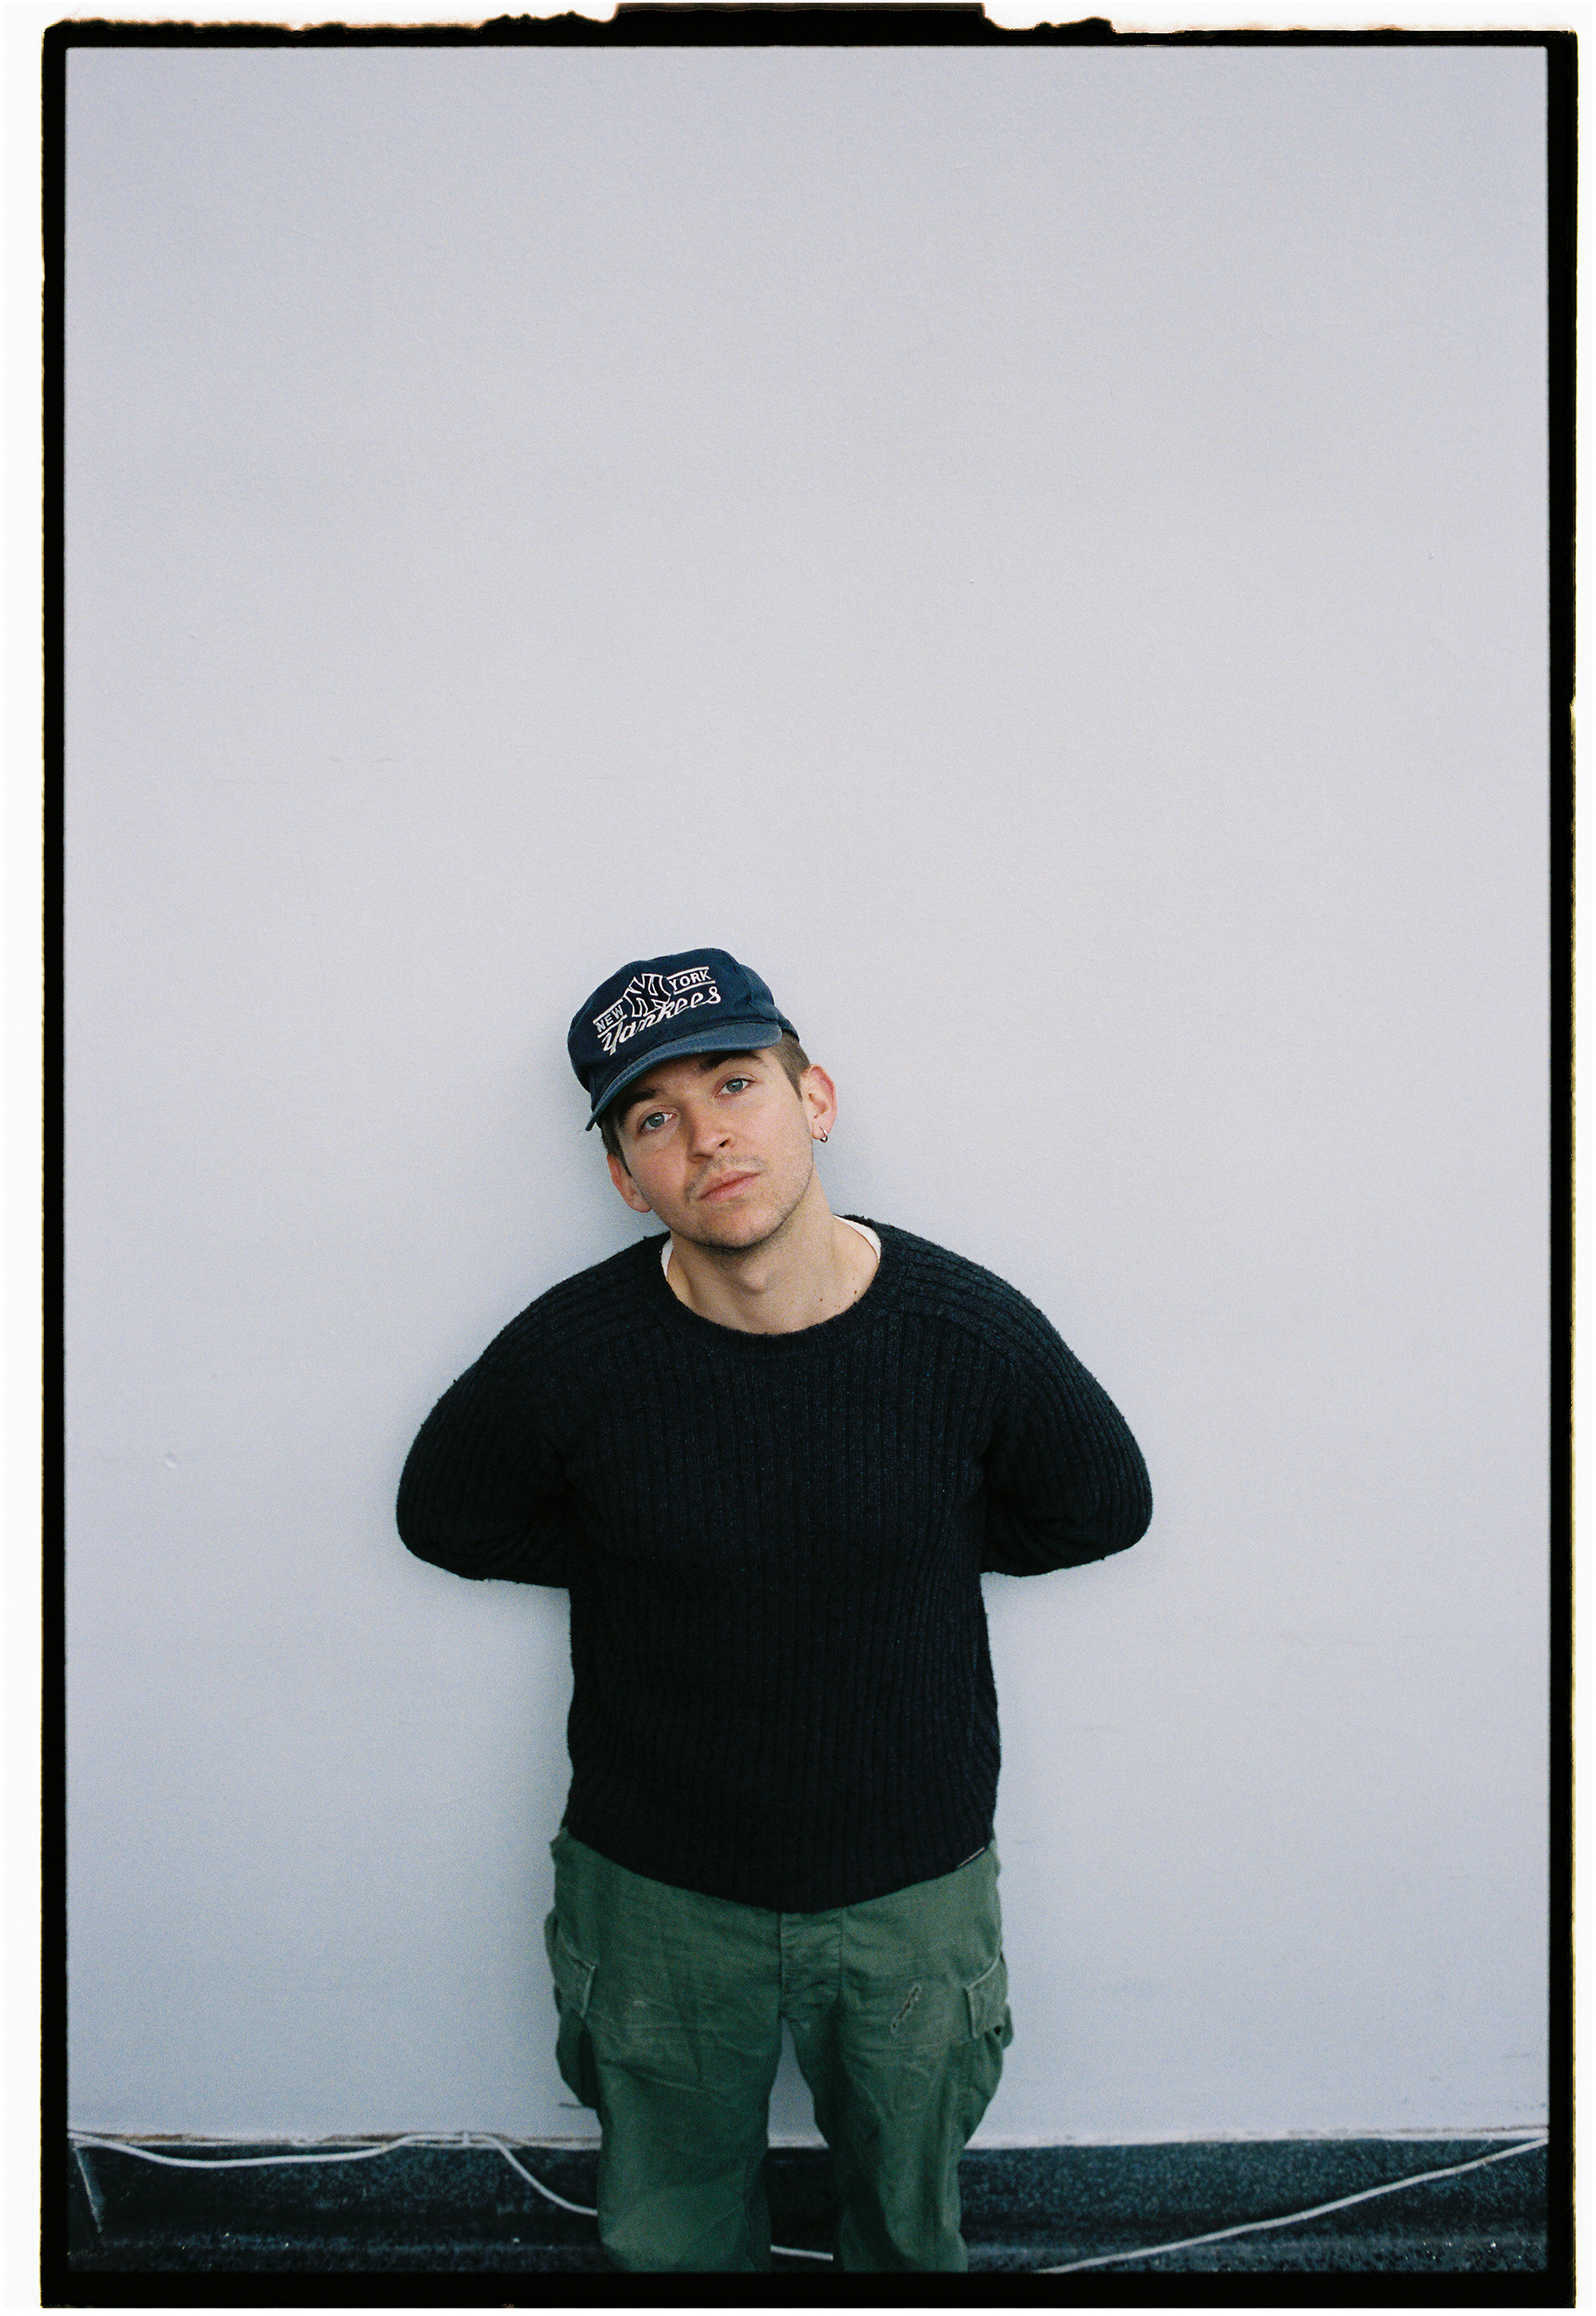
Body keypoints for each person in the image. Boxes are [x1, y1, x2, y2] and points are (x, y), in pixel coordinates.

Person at [397, 947, 1152, 2273]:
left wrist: (899, 1539)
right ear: (627, 1178)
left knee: (908, 2239)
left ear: (816, 1099)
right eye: (655, 1116)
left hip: (911, 1886)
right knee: (673, 2241)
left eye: (735, 1082)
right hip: (655, 1891)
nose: (706, 1134)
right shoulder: (575, 1352)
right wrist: (651, 1550)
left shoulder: (964, 1332)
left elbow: (1102, 1504)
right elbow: (444, 1513)